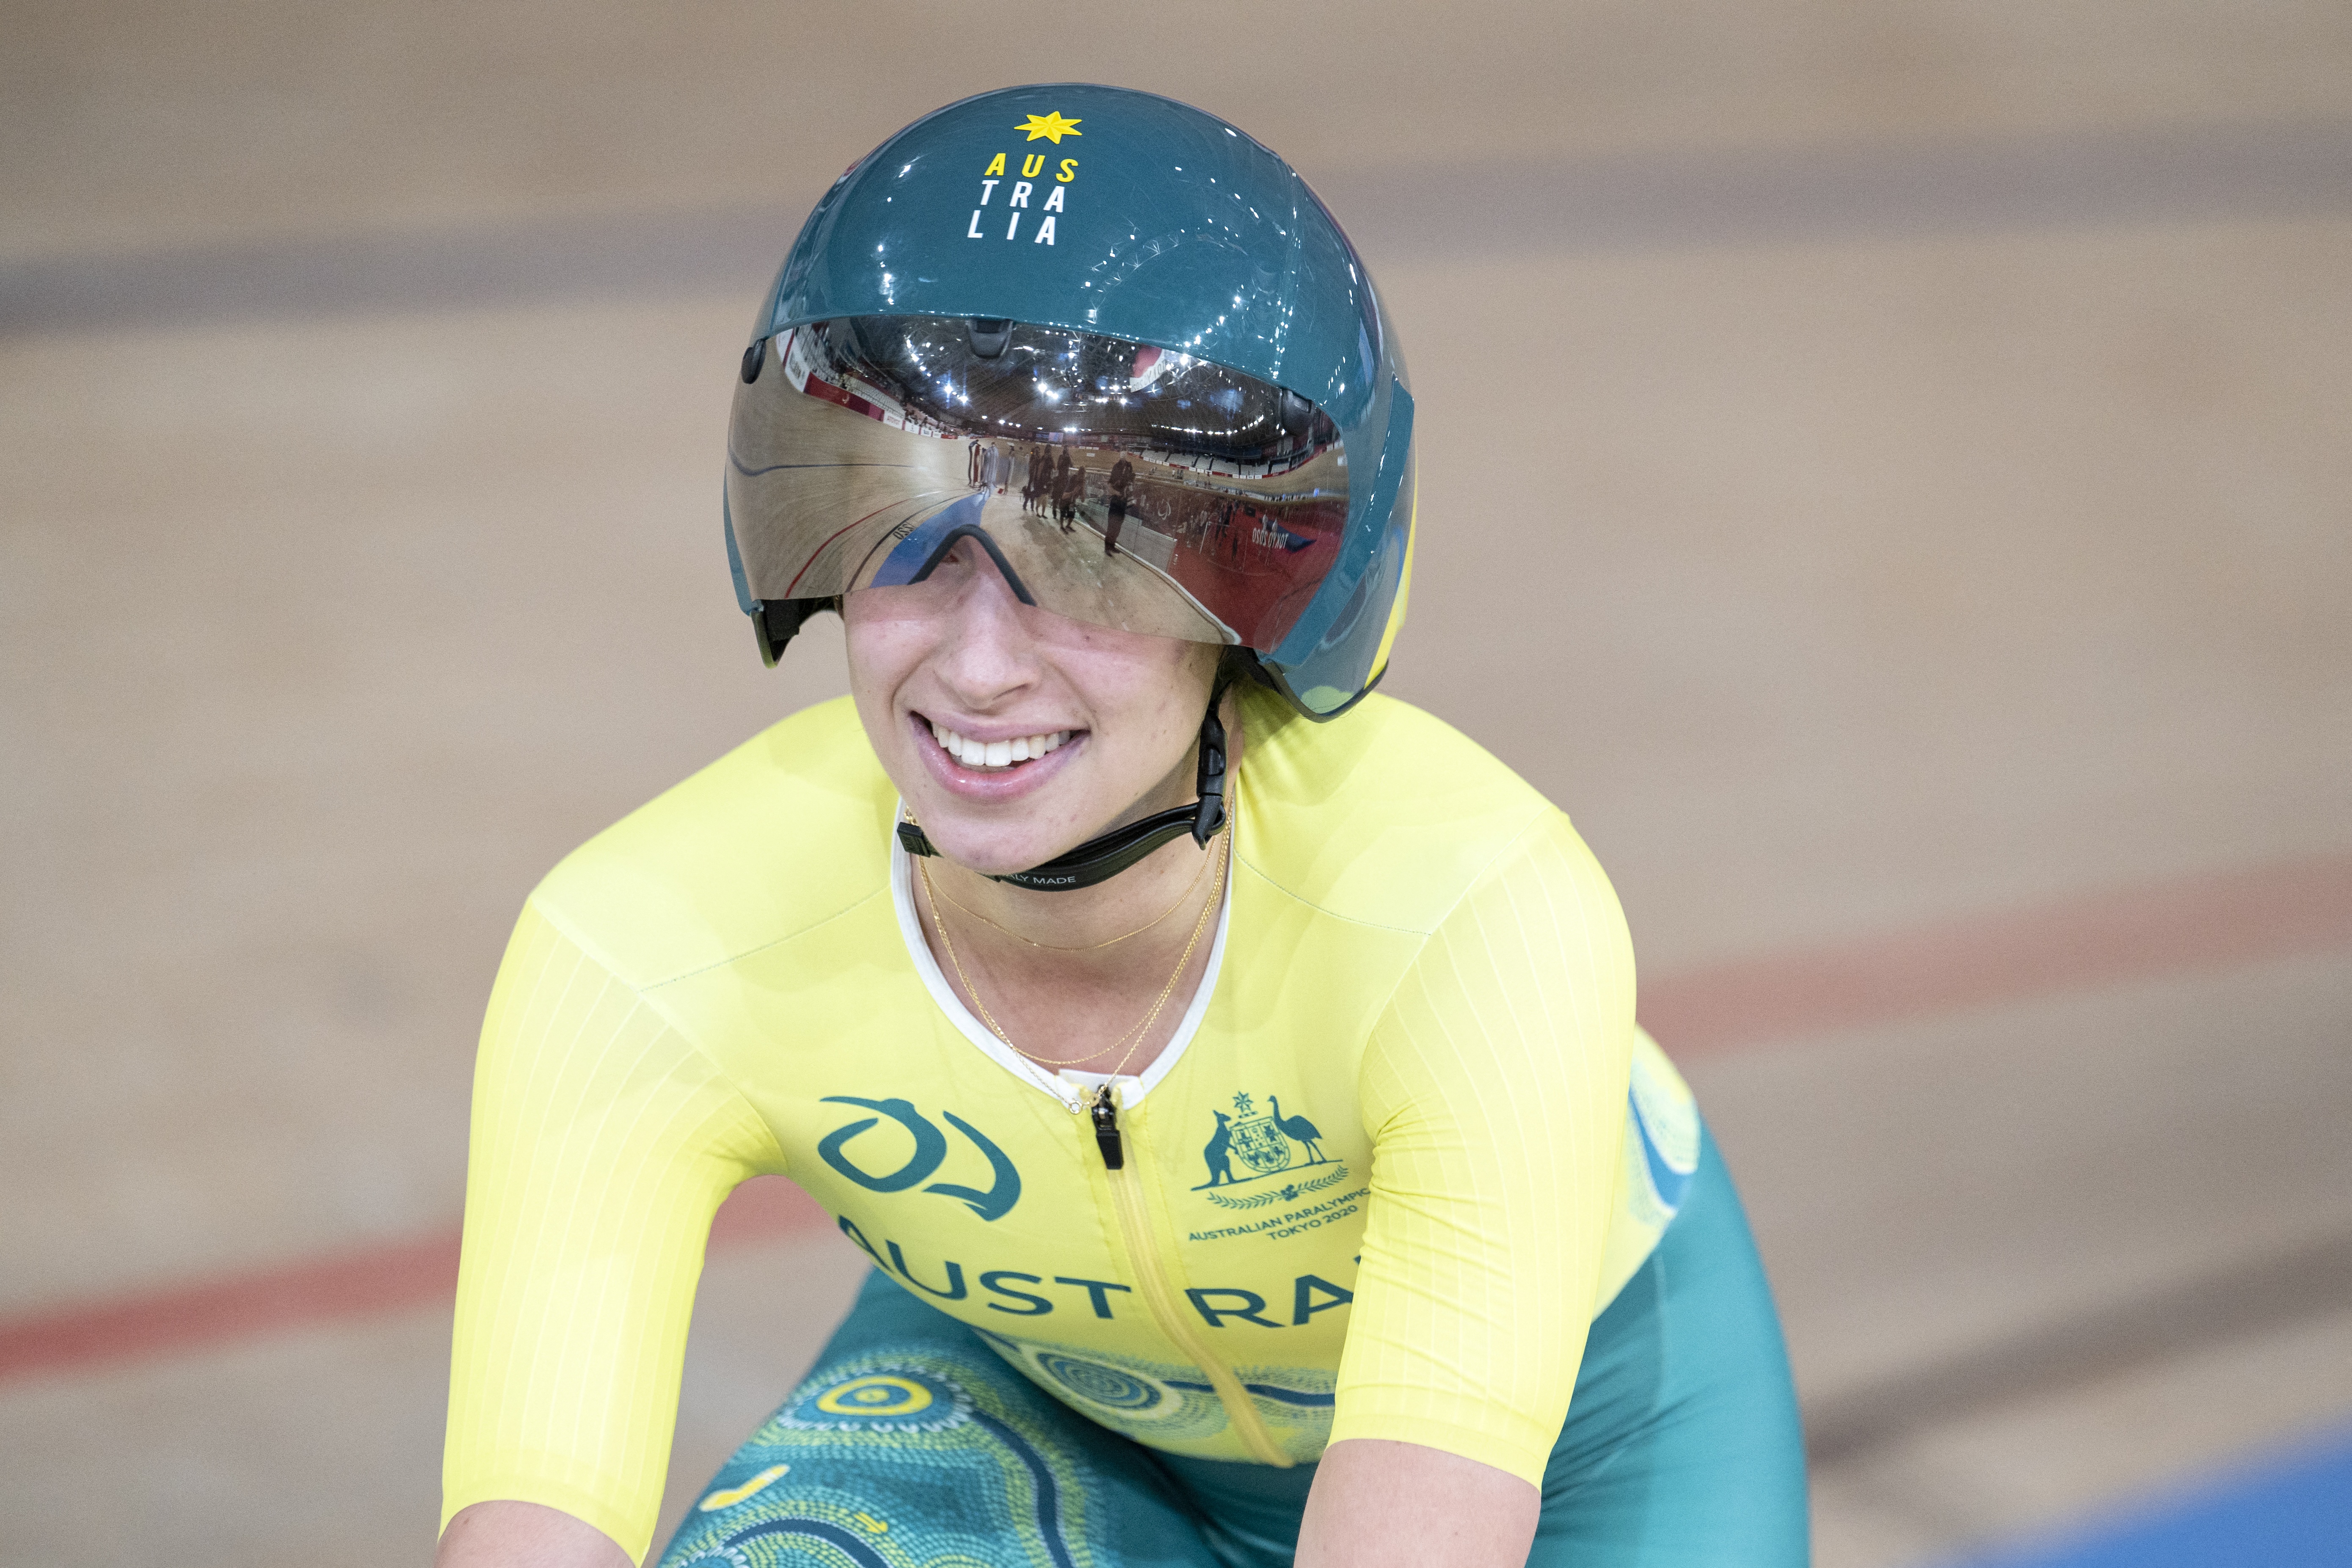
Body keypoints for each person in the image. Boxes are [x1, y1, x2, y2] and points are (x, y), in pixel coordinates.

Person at [437, 84, 1805, 1568]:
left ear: (1259, 603)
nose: (971, 663)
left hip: (1583, 1446)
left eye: (1087, 551)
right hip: (1058, 1420)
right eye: (895, 531)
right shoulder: (636, 946)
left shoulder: (1472, 913)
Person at [1106, 454, 1134, 557]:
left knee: (1118, 526)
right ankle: (1107, 547)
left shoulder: (1129, 467)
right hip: (1116, 501)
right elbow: (1110, 486)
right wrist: (1118, 494)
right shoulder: (1116, 468)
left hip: (1123, 502)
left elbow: (1131, 481)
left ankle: (1112, 546)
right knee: (1112, 525)